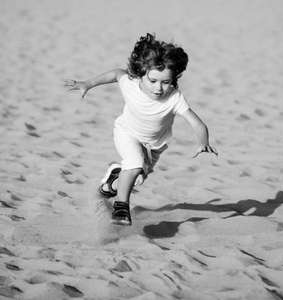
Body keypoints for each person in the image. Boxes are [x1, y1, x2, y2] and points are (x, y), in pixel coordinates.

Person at [65, 33, 218, 225]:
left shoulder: (174, 98)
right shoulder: (131, 84)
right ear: (141, 73)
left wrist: (203, 142)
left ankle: (113, 180)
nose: (159, 88)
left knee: (136, 177)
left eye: (166, 82)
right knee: (135, 163)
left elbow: (197, 123)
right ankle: (121, 208)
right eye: (153, 81)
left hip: (155, 146)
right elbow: (116, 73)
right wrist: (88, 84)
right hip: (126, 132)